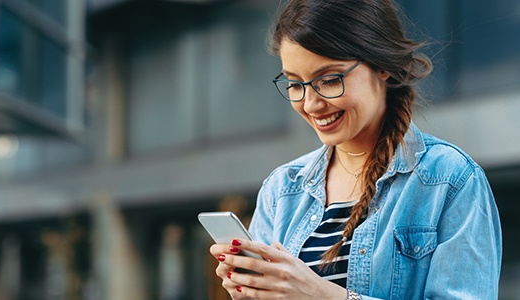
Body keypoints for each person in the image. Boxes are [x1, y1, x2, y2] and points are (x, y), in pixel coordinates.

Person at [209, 0, 502, 299]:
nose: (311, 104)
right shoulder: (282, 190)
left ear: (383, 66)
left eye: (330, 79)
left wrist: (323, 295)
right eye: (295, 84)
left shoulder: (449, 180)